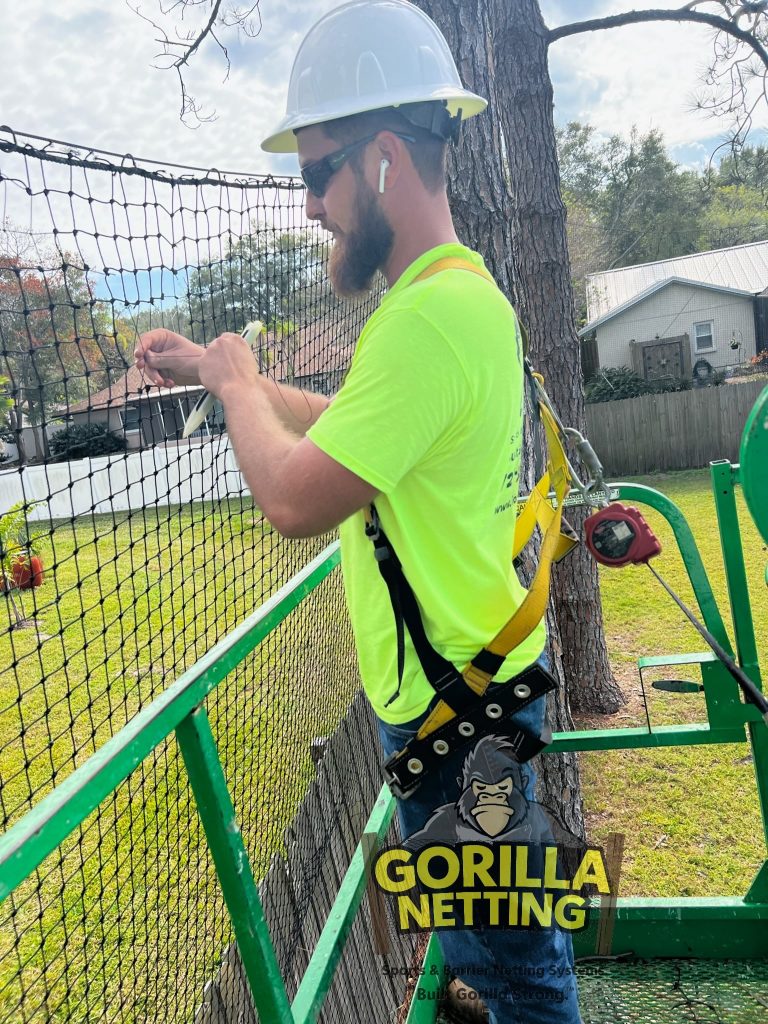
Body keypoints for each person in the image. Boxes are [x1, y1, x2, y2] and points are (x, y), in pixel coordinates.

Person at [135, 1, 582, 1019]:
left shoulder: (428, 316)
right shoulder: (445, 299)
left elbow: (292, 496)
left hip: (462, 719)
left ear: (383, 158)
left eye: (314, 172)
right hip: (463, 702)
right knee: (502, 952)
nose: (308, 207)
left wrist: (242, 378)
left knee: (523, 972)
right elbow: (343, 427)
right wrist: (218, 370)